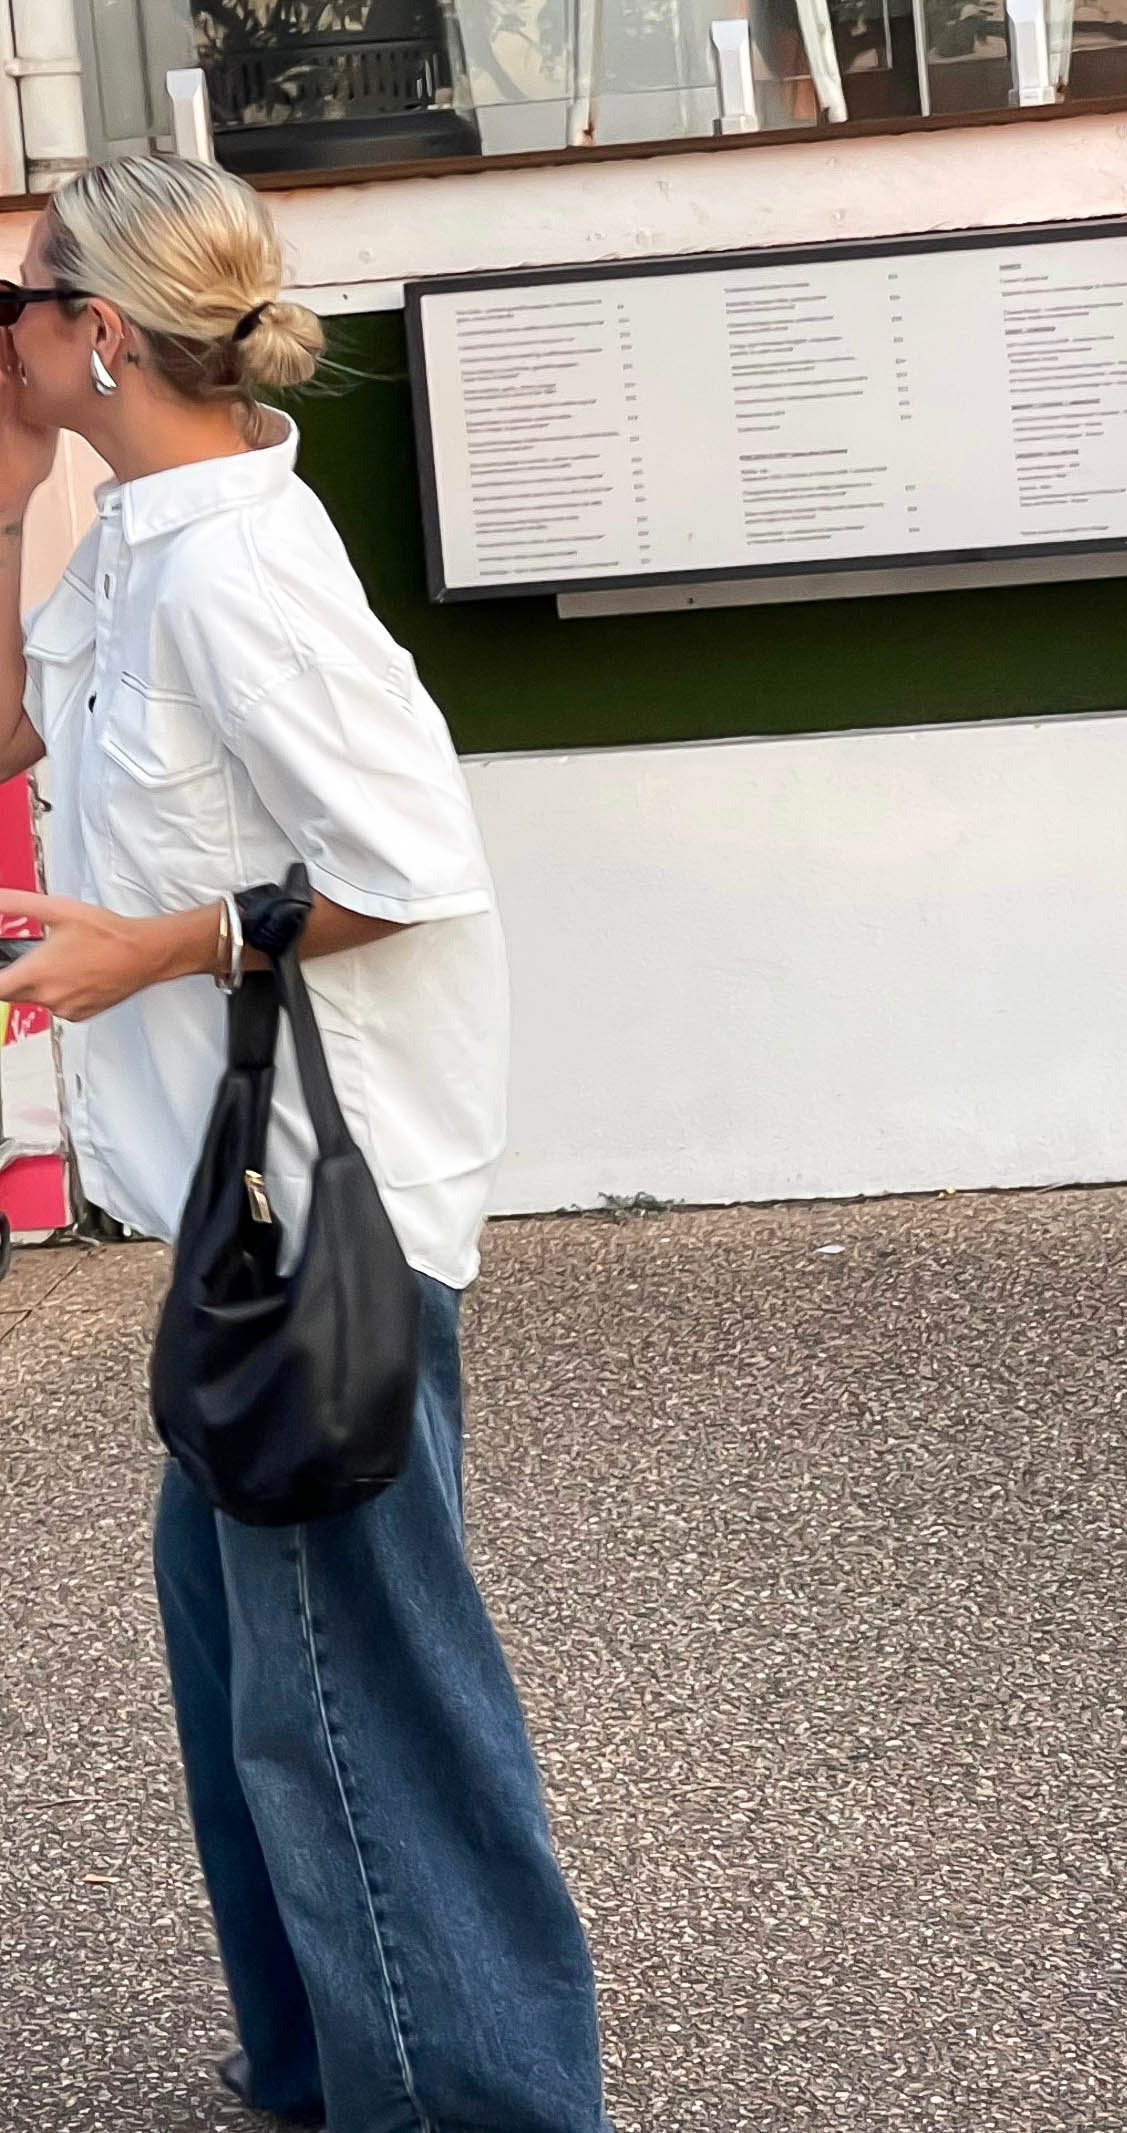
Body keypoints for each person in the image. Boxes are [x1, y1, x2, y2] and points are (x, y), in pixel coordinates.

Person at [0, 156, 611, 2133]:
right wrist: (12, 477)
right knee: (245, 1647)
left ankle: (475, 2101)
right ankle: (316, 2056)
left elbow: (407, 866)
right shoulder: (143, 536)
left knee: (356, 1685)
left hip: (331, 1223)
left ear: (102, 330)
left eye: (15, 301)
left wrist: (148, 948)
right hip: (234, 1221)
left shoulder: (238, 570)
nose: (4, 333)